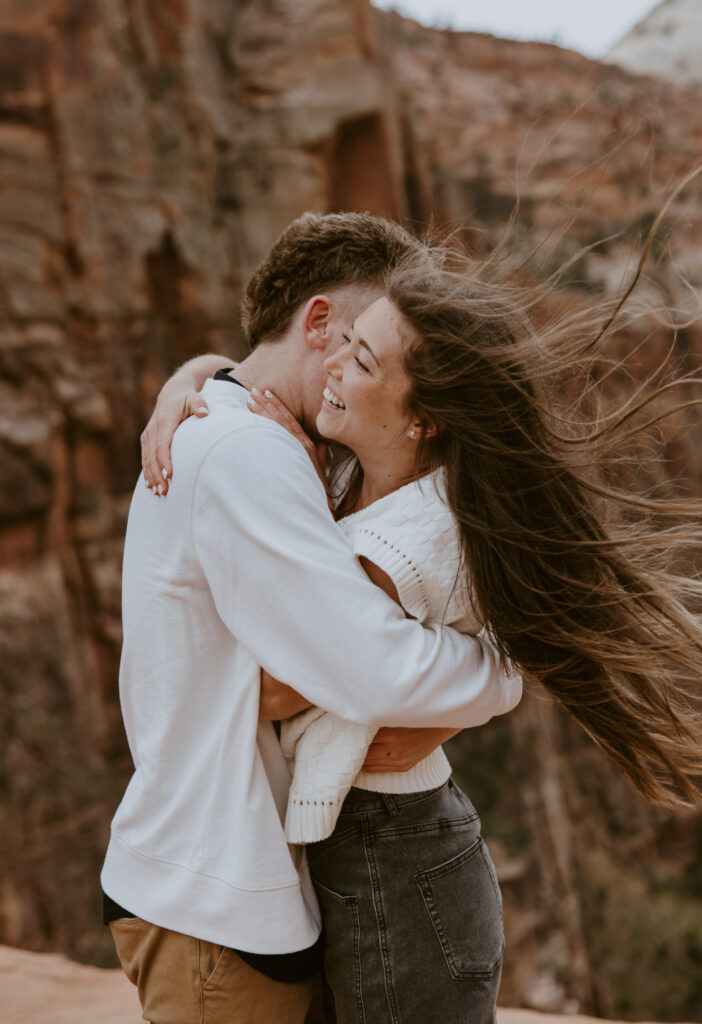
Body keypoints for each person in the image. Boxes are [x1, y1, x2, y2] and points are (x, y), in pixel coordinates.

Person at [146, 239, 702, 1024]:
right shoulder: (358, 479)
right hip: (381, 850)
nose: (335, 367)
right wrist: (196, 380)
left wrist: (482, 688)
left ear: (425, 418)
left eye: (364, 363)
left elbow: (274, 692)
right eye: (343, 345)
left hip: (395, 859)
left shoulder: (407, 538)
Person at [102, 212, 522, 1024]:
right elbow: (366, 671)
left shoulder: (252, 430)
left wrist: (194, 373)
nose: (347, 373)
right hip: (219, 900)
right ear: (320, 321)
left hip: (227, 881)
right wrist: (499, 680)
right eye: (356, 342)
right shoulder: (251, 452)